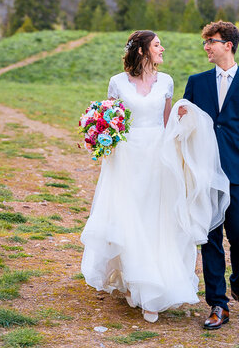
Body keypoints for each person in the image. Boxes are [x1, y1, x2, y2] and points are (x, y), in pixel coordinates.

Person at [81, 30, 229, 323]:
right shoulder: (117, 82)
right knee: (130, 217)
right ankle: (134, 281)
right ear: (142, 51)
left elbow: (167, 125)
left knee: (155, 218)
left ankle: (153, 290)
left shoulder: (167, 81)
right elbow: (112, 120)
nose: (163, 48)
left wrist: (185, 120)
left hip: (158, 158)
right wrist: (95, 135)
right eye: (157, 45)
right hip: (126, 159)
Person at [182, 20, 239, 330]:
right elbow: (185, 128)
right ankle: (218, 303)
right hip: (203, 173)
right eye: (205, 42)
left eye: (211, 42)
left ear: (228, 45)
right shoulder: (196, 82)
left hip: (237, 174)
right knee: (210, 239)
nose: (206, 47)